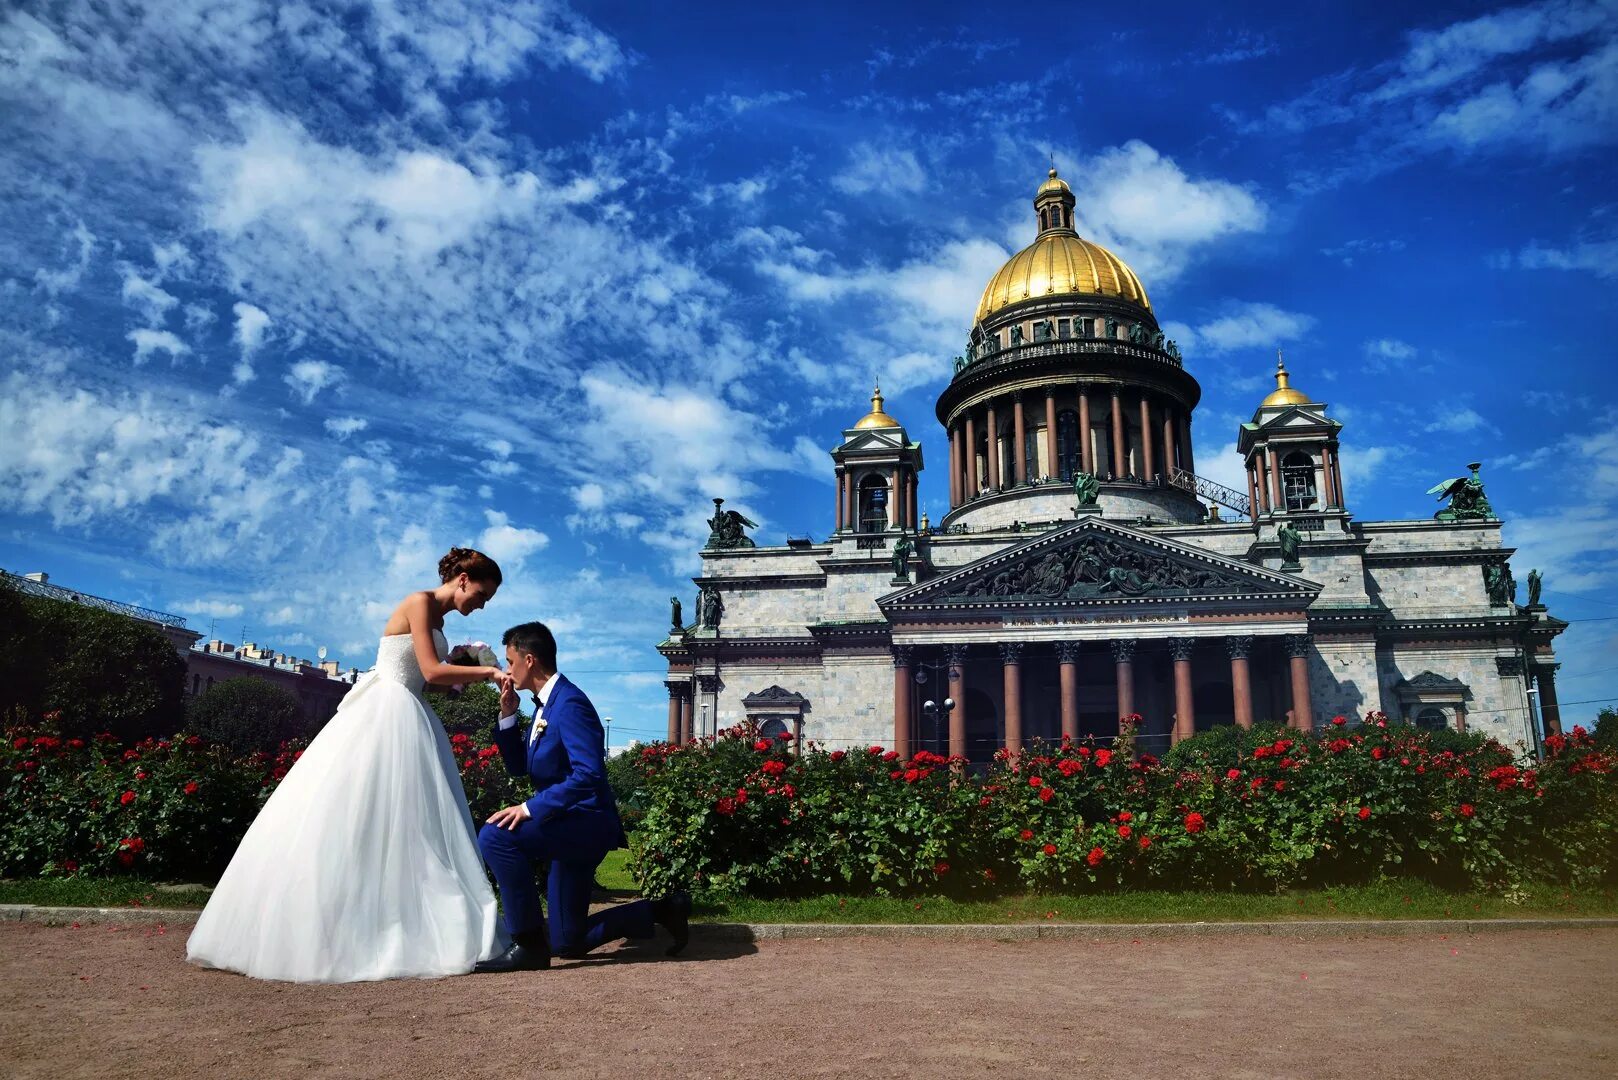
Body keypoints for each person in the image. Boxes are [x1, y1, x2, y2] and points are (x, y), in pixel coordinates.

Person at [186, 548, 512, 982]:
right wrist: (486, 674)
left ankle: (393, 922)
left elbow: (430, 682)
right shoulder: (418, 602)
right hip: (386, 711)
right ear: (465, 579)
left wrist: (464, 675)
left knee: (407, 824)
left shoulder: (443, 625)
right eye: (483, 595)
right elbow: (432, 671)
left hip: (409, 711)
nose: (482, 605)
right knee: (356, 814)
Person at [475, 621, 690, 972]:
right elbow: (519, 768)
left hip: (585, 823)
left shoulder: (570, 704)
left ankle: (527, 944)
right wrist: (509, 716)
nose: (506, 670)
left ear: (529, 660)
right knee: (567, 942)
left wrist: (530, 809)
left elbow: (588, 774)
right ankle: (663, 910)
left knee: (496, 837)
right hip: (563, 823)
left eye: (510, 661)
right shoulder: (543, 707)